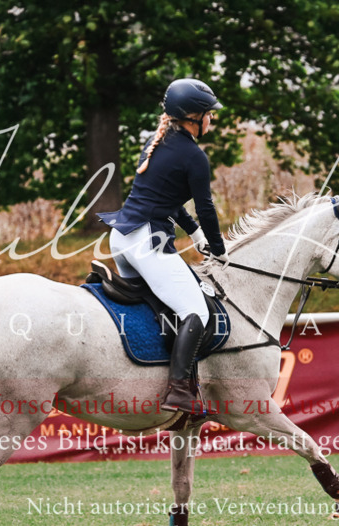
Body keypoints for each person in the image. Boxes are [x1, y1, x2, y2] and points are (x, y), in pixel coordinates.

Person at [97, 78, 226, 414]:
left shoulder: (157, 142)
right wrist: (218, 246)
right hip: (146, 243)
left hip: (121, 238)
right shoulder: (194, 156)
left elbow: (166, 198)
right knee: (195, 310)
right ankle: (179, 390)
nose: (212, 120)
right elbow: (206, 207)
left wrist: (192, 231)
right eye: (209, 115)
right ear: (193, 117)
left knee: (175, 295)